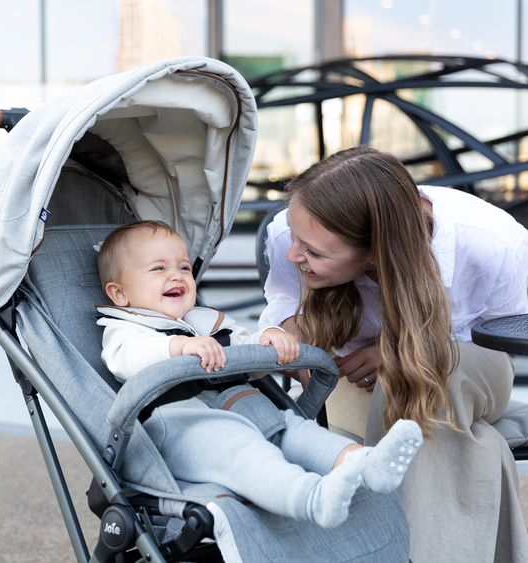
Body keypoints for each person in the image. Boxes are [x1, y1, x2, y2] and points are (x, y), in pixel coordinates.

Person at [259, 145, 528, 562]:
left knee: (425, 373)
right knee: (477, 445)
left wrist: (397, 350)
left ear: (375, 251)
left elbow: (513, 335)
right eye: (296, 241)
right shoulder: (290, 232)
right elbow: (279, 302)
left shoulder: (489, 241)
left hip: (468, 370)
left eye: (313, 252)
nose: (295, 254)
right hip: (356, 387)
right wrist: (287, 332)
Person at [95, 219, 423, 529]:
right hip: (186, 429)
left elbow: (244, 355)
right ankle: (310, 498)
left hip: (247, 409)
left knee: (297, 432)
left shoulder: (207, 321)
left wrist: (268, 344)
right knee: (248, 456)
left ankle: (366, 463)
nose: (177, 275)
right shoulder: (126, 330)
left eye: (183, 267)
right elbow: (126, 360)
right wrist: (178, 349)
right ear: (120, 294)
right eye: (159, 269)